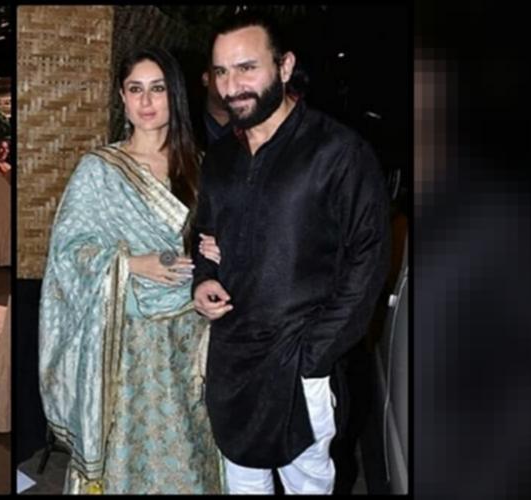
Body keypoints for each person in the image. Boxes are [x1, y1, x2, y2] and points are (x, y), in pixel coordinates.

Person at [189, 11, 390, 494]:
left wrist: (314, 355)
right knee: (242, 483)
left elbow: (368, 259)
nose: (232, 86)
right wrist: (203, 278)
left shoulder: (337, 152)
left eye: (246, 68)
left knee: (308, 486)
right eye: (221, 72)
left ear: (284, 66)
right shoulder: (220, 158)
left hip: (299, 364)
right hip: (232, 360)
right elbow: (204, 235)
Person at [38, 46, 223, 494]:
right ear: (122, 97)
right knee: (128, 456)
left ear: (174, 95)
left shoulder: (202, 166)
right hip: (125, 343)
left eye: (157, 89)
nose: (146, 101)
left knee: (188, 454)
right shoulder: (99, 171)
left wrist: (219, 252)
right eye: (135, 89)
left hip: (188, 337)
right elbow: (66, 254)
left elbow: (220, 241)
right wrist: (130, 264)